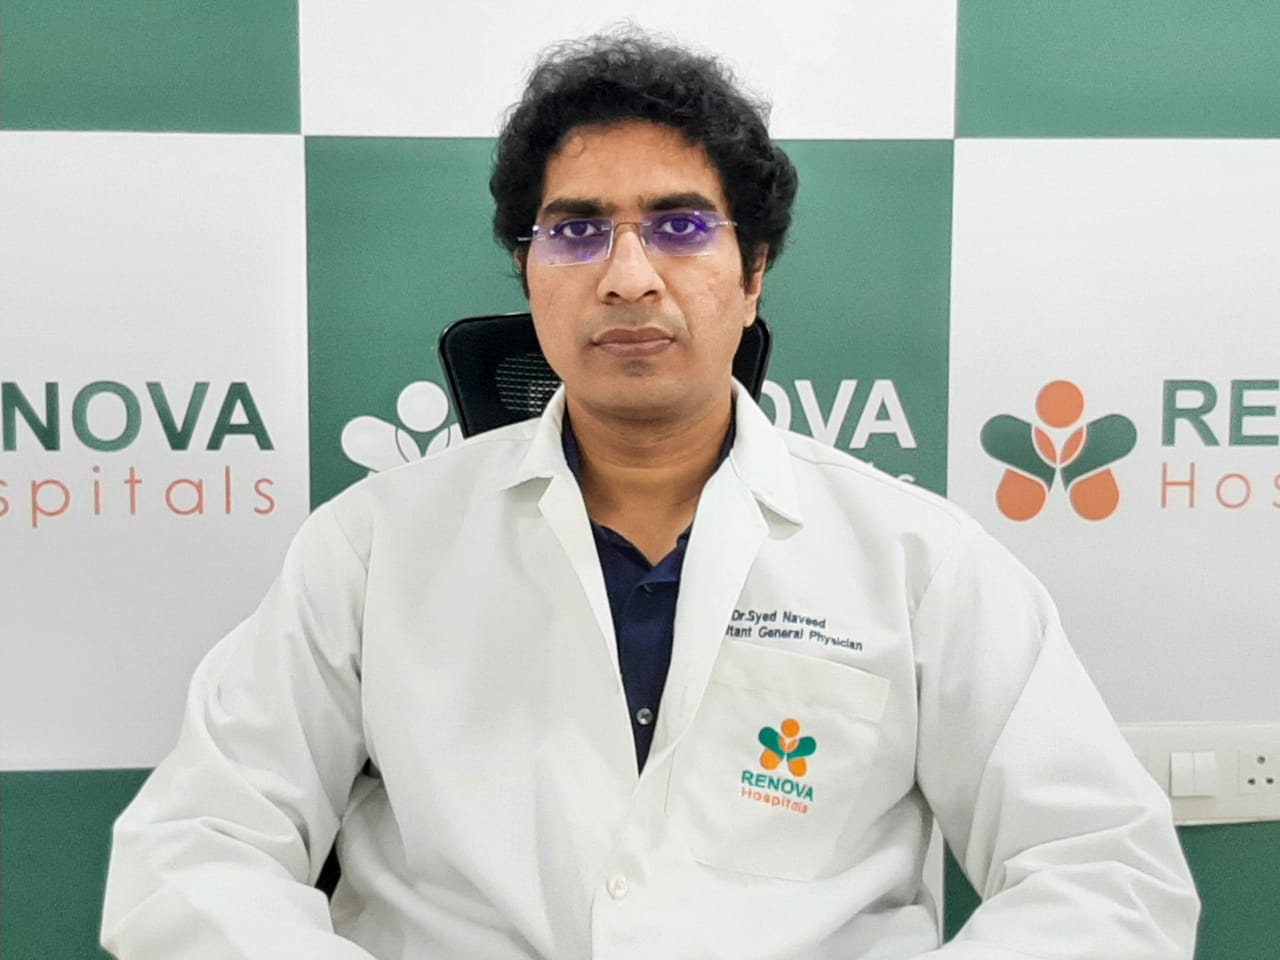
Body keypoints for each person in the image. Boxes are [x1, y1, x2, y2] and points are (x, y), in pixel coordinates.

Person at [102, 30, 1199, 960]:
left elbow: (1107, 871)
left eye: (678, 225)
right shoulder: (373, 547)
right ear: (529, 272)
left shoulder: (914, 557)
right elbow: (192, 848)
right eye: (577, 230)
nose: (627, 275)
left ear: (753, 272)